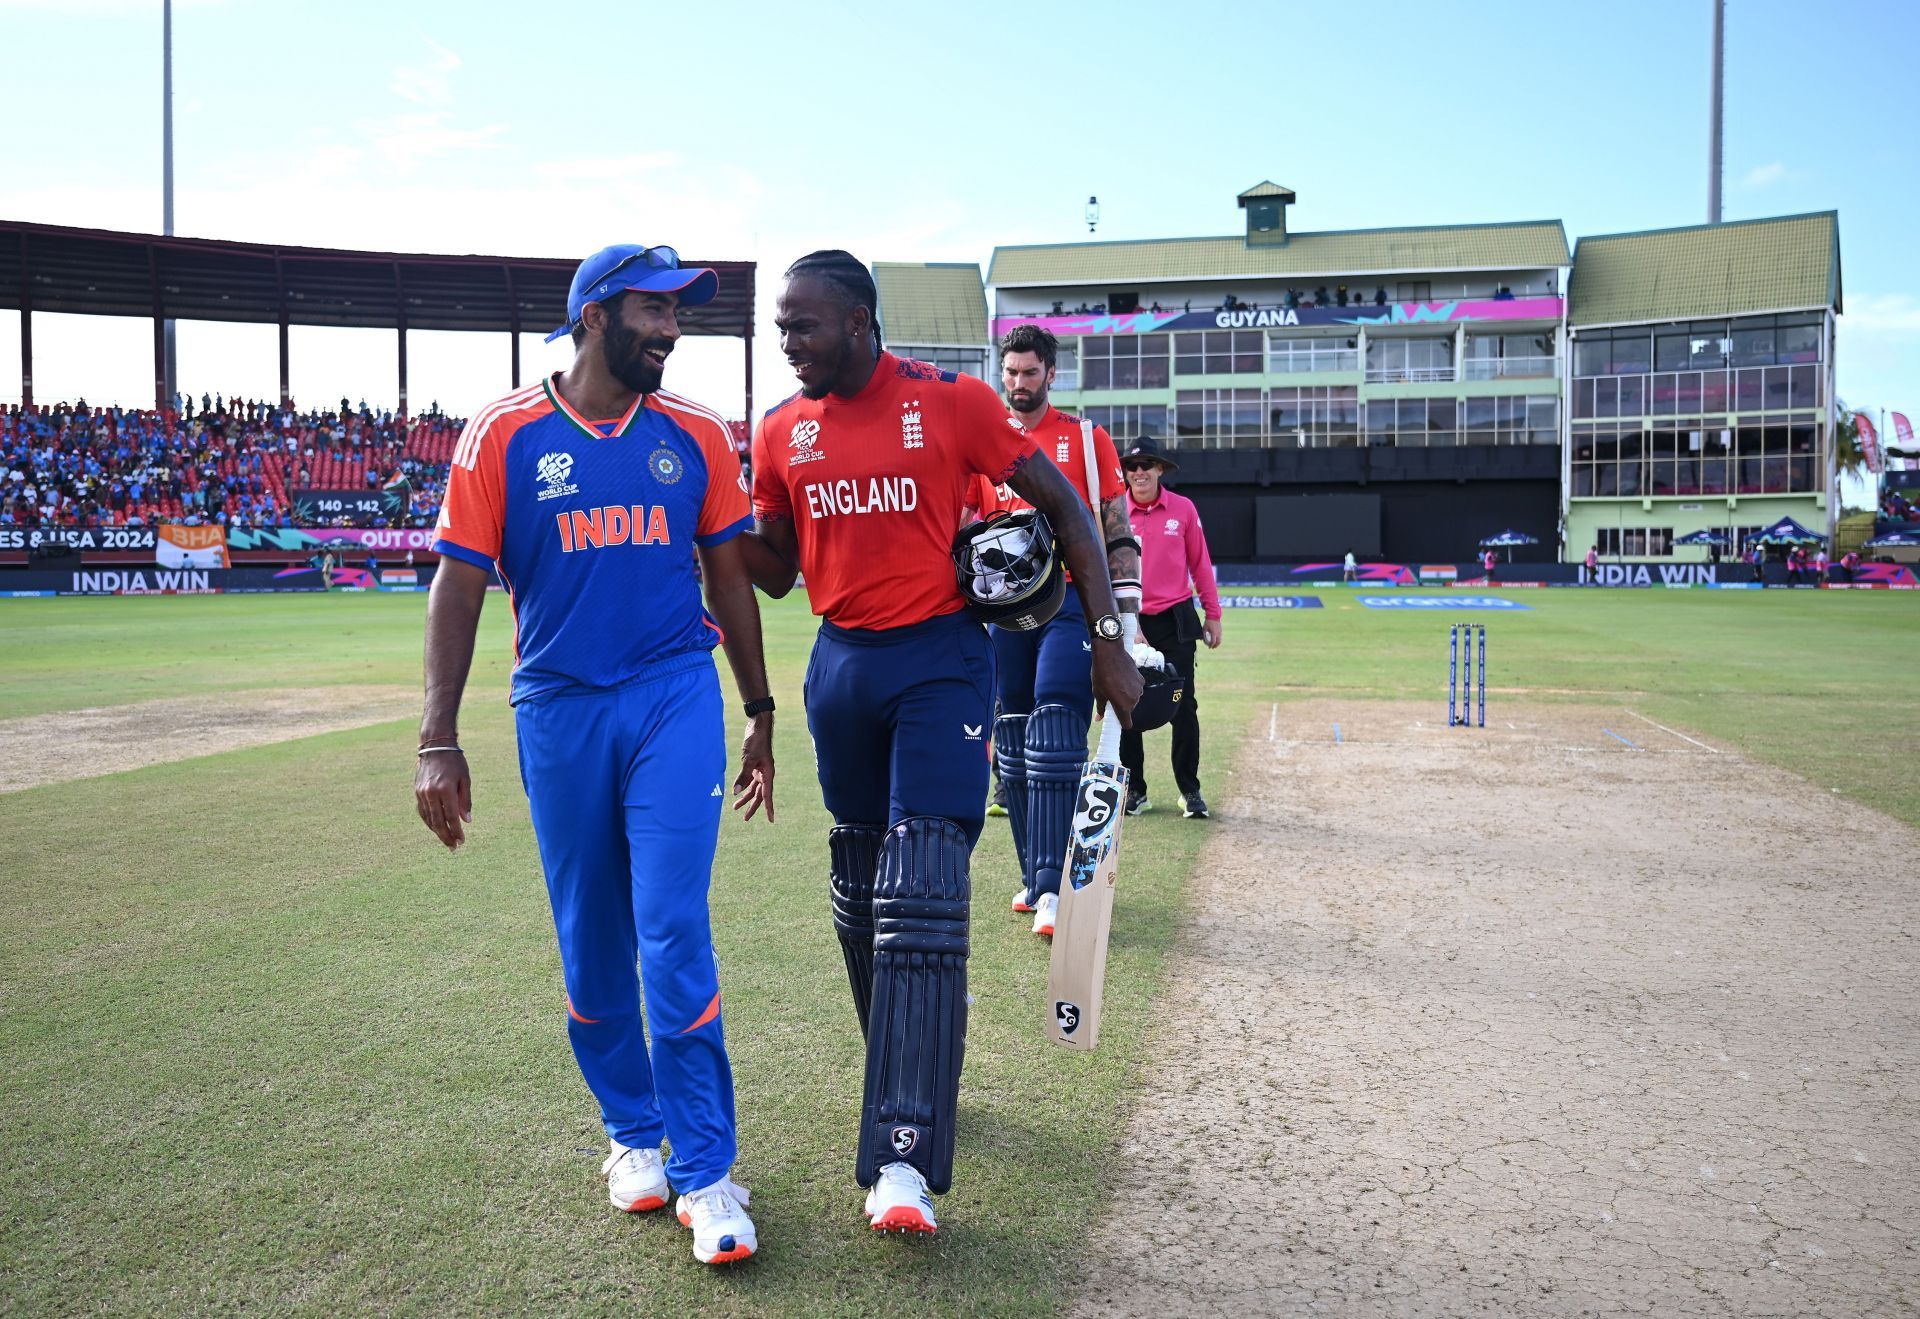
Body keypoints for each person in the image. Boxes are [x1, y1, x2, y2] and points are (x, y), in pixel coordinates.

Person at [736, 250, 1140, 1237]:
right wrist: (702, 523)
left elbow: (1066, 507)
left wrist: (1105, 639)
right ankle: (906, 1071)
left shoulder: (952, 402)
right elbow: (778, 569)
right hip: (840, 668)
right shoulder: (782, 430)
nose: (786, 343)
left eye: (804, 325)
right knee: (863, 887)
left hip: (938, 662)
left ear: (861, 322)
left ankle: (904, 1156)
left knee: (922, 885)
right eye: (779, 326)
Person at [412, 242, 774, 1267]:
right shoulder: (505, 434)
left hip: (672, 697)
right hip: (560, 708)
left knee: (671, 926)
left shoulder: (697, 433)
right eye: (654, 310)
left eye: (678, 313)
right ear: (595, 316)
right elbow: (459, 585)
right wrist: (437, 738)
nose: (672, 329)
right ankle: (633, 1130)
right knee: (592, 936)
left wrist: (758, 707)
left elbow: (730, 576)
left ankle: (707, 1171)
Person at [961, 323, 1143, 939]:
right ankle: (1033, 877)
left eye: (1029, 373)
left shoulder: (1085, 440)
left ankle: (1056, 888)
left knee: (1057, 729)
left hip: (1069, 605)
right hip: (1003, 614)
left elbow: (1116, 532)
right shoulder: (982, 441)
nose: (1017, 384)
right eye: (1009, 373)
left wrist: (1127, 624)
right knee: (1011, 741)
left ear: (1050, 374)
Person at [1118, 437, 1220, 819]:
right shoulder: (1113, 511)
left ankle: (1190, 791)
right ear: (1125, 472)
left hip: (1176, 620)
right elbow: (1104, 569)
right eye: (1132, 465)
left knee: (1184, 707)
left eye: (1147, 464)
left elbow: (1200, 564)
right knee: (1127, 706)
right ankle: (1135, 791)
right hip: (1131, 620)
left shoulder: (1183, 509)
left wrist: (1213, 615)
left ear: (1160, 469)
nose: (1139, 471)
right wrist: (1127, 620)